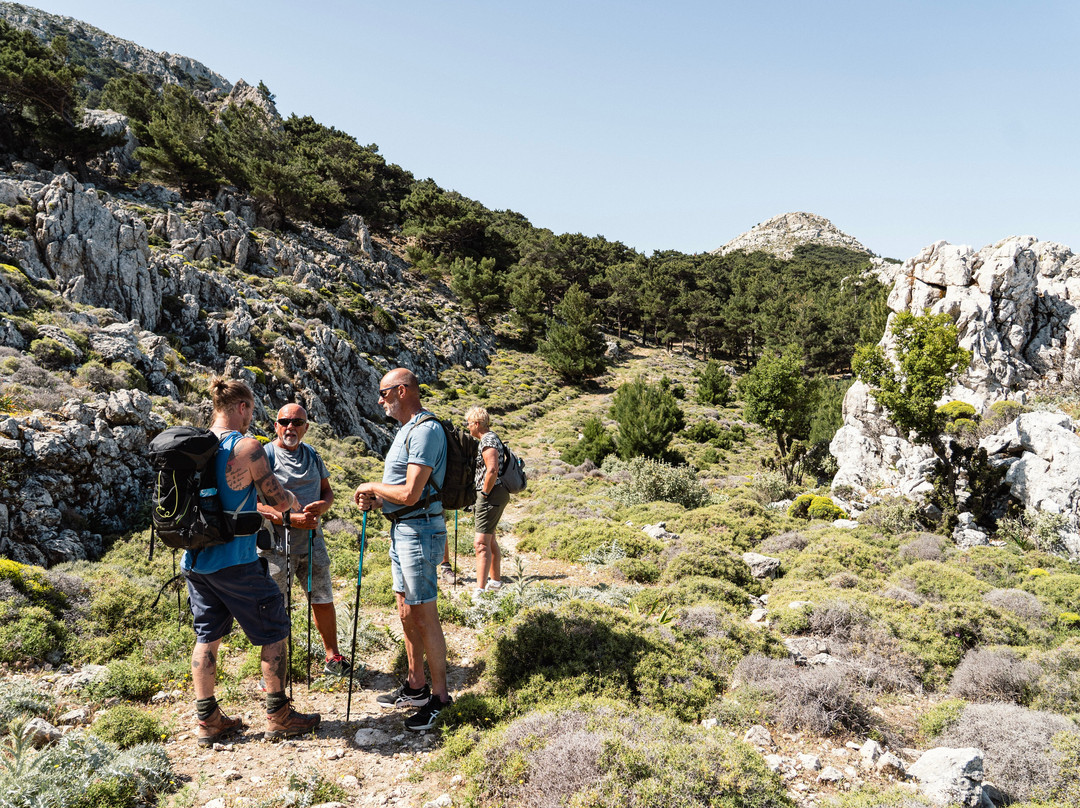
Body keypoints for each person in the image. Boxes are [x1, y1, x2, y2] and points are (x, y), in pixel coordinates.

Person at [184, 379, 321, 747]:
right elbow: (276, 500)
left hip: (195, 560)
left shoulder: (195, 446)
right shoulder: (246, 446)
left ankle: (207, 719)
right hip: (236, 560)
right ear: (242, 407)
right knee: (274, 630)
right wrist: (292, 498)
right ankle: (278, 716)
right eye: (251, 410)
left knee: (207, 636)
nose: (251, 419)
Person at [353, 368, 453, 731]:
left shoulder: (426, 431)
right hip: (405, 528)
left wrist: (372, 486)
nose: (380, 401)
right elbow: (406, 495)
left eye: (383, 393)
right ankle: (416, 687)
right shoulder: (406, 431)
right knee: (406, 610)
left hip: (420, 530)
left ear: (401, 390)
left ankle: (441, 699)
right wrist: (379, 502)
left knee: (425, 614)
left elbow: (411, 492)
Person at [255, 403, 351, 677]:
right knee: (274, 608)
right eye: (284, 421)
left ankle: (332, 657)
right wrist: (290, 519)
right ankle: (273, 673)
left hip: (312, 543)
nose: (290, 427)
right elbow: (254, 504)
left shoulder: (312, 455)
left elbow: (327, 492)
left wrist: (322, 506)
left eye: (297, 422)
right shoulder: (266, 456)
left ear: (306, 428)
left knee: (322, 598)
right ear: (275, 425)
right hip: (275, 547)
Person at [465, 406, 510, 593]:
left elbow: (491, 469)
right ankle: (496, 582)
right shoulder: (491, 438)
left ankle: (480, 590)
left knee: (481, 543)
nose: (468, 428)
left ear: (477, 424)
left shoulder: (488, 440)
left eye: (469, 424)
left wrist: (483, 493)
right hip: (496, 492)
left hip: (490, 494)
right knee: (490, 540)